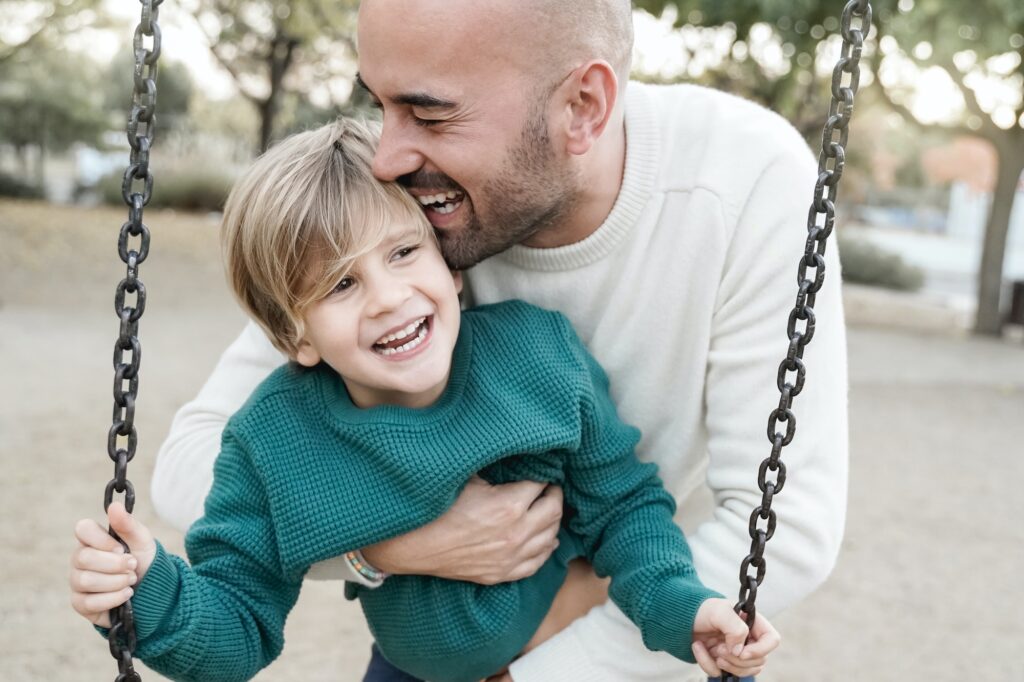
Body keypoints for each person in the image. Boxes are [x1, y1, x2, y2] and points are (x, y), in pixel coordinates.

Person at [151, 1, 849, 680]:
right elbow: (192, 468)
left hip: (646, 630)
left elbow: (785, 525)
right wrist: (394, 548)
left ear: (582, 107)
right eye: (379, 105)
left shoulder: (744, 182)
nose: (387, 155)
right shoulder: (390, 217)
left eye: (428, 113)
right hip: (441, 642)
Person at [69, 119, 780, 682]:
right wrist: (147, 596)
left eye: (404, 253)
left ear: (450, 262)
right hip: (408, 671)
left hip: (573, 651)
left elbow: (627, 512)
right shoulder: (274, 443)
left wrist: (685, 612)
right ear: (295, 336)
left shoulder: (539, 361)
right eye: (341, 286)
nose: (389, 297)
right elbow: (238, 626)